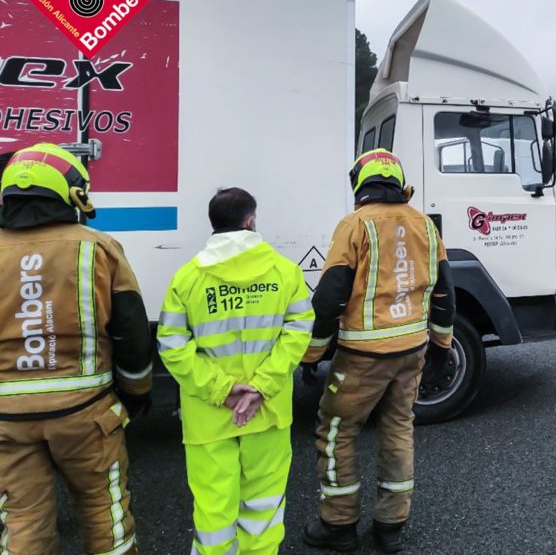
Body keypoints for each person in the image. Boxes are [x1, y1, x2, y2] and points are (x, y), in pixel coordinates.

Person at [0, 143, 152, 554]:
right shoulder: (97, 246)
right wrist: (136, 394)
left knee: (23, 520)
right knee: (105, 513)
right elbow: (132, 332)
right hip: (86, 414)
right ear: (73, 194)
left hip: (8, 421)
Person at [303, 150, 455, 554]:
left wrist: (312, 354)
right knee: (399, 429)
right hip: (411, 351)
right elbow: (444, 292)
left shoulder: (354, 225)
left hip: (362, 357)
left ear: (361, 182)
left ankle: (338, 525)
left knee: (337, 431)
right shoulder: (425, 224)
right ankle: (390, 526)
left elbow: (330, 297)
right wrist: (441, 347)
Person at [157, 187, 313, 554]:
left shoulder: (187, 278)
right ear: (250, 221)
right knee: (263, 511)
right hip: (269, 413)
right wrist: (260, 387)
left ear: (213, 224)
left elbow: (171, 345)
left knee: (214, 516)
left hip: (209, 418)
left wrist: (223, 390)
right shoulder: (285, 272)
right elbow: (299, 331)